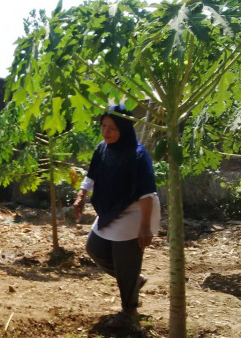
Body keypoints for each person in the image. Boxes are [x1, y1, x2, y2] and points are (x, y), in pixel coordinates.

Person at [73, 104, 160, 329]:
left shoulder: (137, 155)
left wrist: (145, 227)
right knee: (95, 247)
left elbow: (147, 194)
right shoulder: (102, 148)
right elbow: (91, 176)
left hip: (136, 211)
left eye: (112, 128)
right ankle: (133, 280)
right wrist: (81, 195)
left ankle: (129, 312)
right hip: (111, 207)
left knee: (126, 261)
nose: (106, 132)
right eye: (103, 126)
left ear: (124, 127)